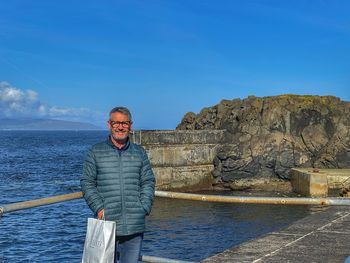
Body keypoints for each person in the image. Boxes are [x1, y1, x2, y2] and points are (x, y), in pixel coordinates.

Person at [81, 106, 155, 263]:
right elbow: (87, 182)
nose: (120, 127)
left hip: (134, 225)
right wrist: (99, 209)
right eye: (116, 123)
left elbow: (148, 180)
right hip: (107, 223)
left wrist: (144, 207)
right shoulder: (96, 151)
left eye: (125, 123)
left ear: (130, 125)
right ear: (109, 124)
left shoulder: (139, 152)